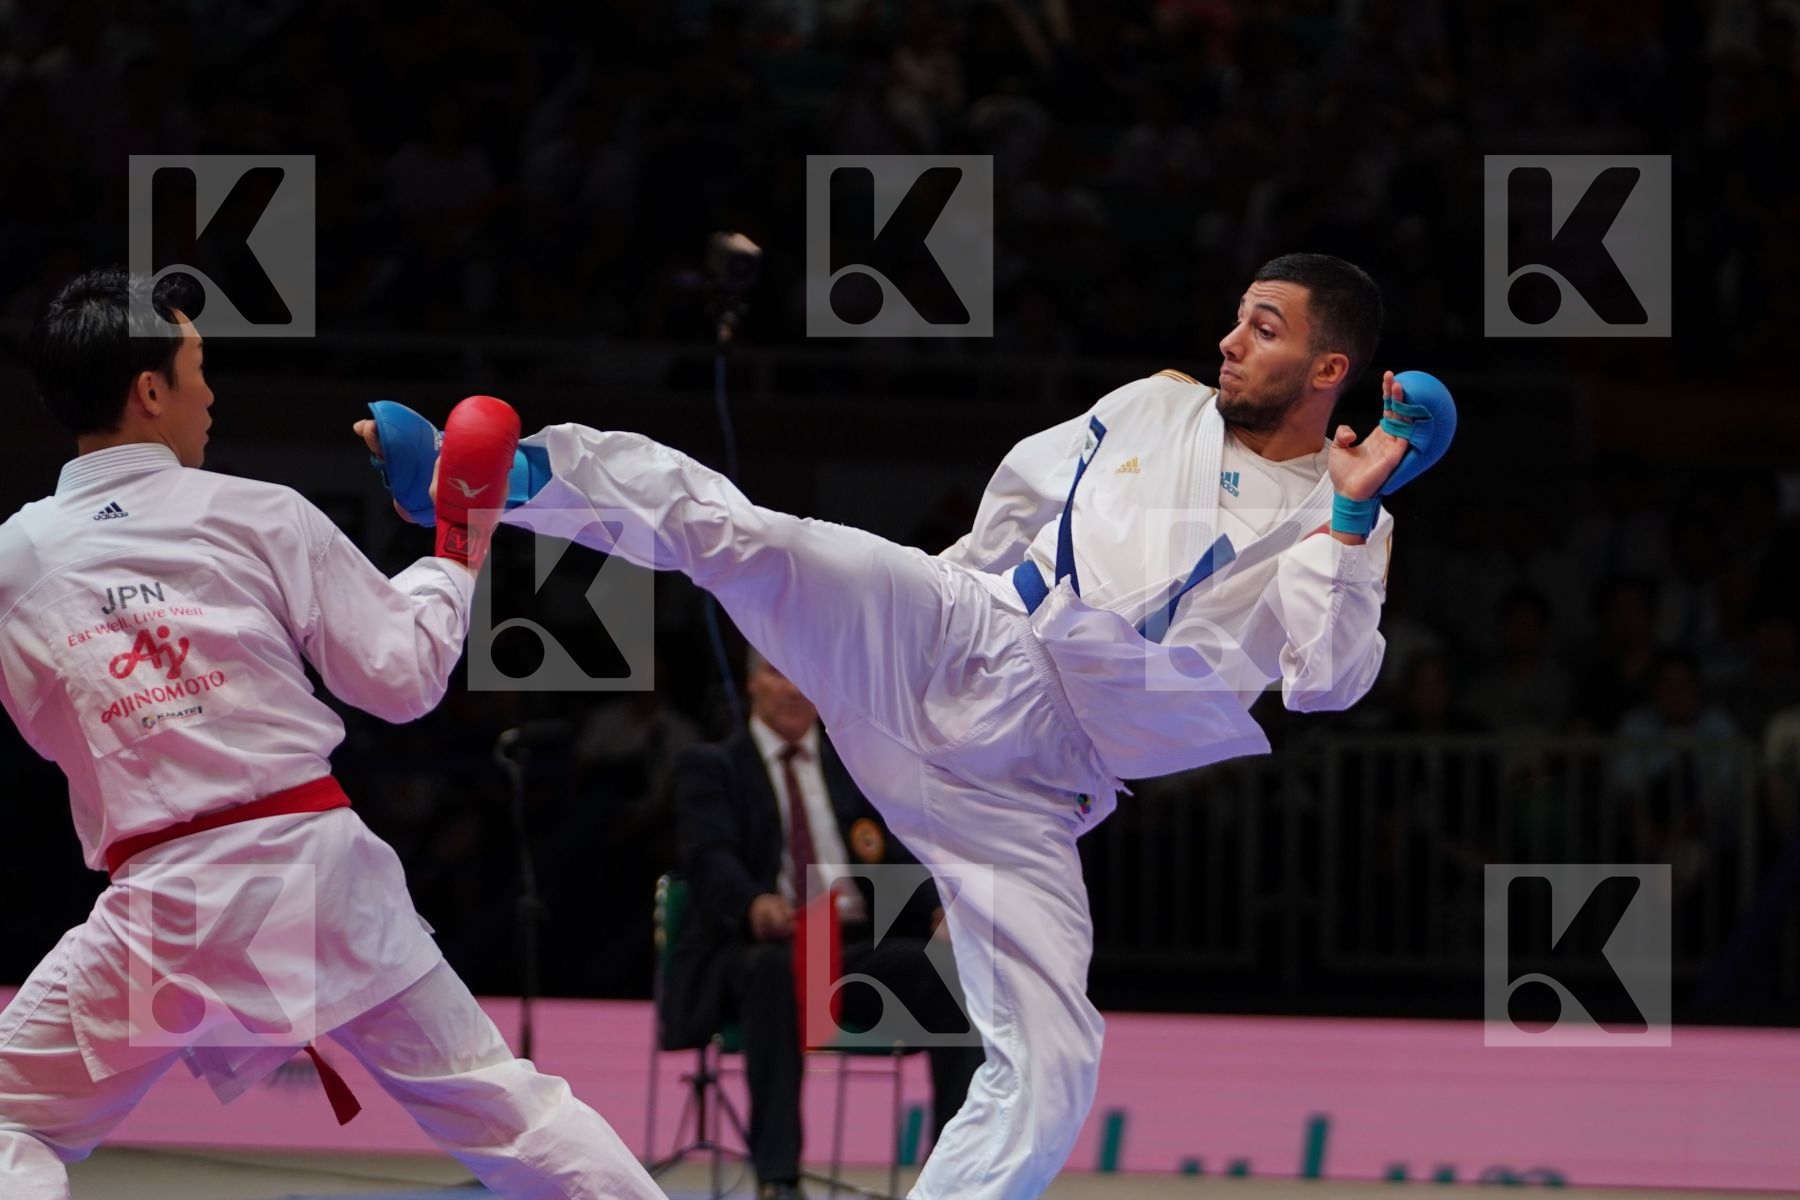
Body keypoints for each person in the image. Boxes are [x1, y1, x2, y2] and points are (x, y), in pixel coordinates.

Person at [364, 252, 1431, 1199]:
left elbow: (1326, 685)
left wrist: (1344, 518)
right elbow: (1021, 493)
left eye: (1265, 327)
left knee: (1057, 1063)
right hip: (963, 634)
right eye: (1238, 316)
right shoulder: (1155, 404)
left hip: (1035, 789)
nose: (1228, 339)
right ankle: (493, 481)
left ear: (1330, 369)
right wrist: (941, 591)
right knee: (753, 539)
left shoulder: (1343, 523)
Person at [0, 268, 666, 1200]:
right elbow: (401, 679)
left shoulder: (15, 559)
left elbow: (39, 727)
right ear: (149, 390)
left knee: (12, 1119)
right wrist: (457, 537)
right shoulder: (255, 512)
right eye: (197, 367)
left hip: (165, 907)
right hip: (315, 875)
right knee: (512, 1115)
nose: (212, 392)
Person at [668, 647, 983, 1200]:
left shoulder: (852, 764)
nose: (793, 689)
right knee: (774, 972)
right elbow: (709, 856)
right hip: (762, 948)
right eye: (776, 673)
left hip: (848, 952)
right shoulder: (713, 766)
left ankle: (955, 1177)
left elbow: (899, 852)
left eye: (805, 675)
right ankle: (778, 1179)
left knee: (951, 972)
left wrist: (937, 906)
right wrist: (751, 904)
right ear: (751, 686)